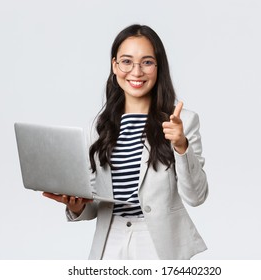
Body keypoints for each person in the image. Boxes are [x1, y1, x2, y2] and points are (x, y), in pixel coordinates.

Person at [43, 24, 209, 260]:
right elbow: (94, 204)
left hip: (158, 243)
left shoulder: (183, 121)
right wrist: (76, 205)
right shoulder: (98, 127)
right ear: (115, 66)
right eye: (127, 61)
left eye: (147, 62)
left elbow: (196, 196)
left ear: (158, 67)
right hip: (110, 240)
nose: (136, 71)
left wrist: (181, 146)